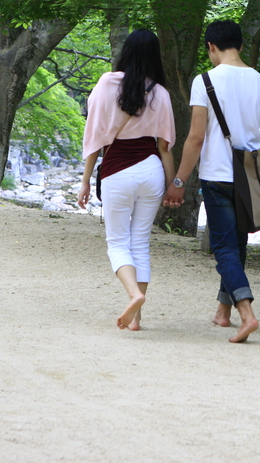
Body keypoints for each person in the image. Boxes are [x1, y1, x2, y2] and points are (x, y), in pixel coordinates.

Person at [163, 19, 260, 343]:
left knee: (224, 247)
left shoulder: (205, 81)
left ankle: (247, 313)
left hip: (217, 176)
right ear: (238, 44)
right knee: (237, 246)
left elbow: (195, 138)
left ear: (211, 46)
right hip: (250, 177)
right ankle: (223, 312)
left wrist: (179, 182)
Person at [78, 29, 177, 331]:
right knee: (141, 243)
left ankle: (133, 295)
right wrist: (173, 185)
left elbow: (95, 139)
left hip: (117, 169)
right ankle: (136, 318)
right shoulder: (160, 93)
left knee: (118, 243)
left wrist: (84, 182)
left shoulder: (106, 85)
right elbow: (165, 146)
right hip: (151, 170)